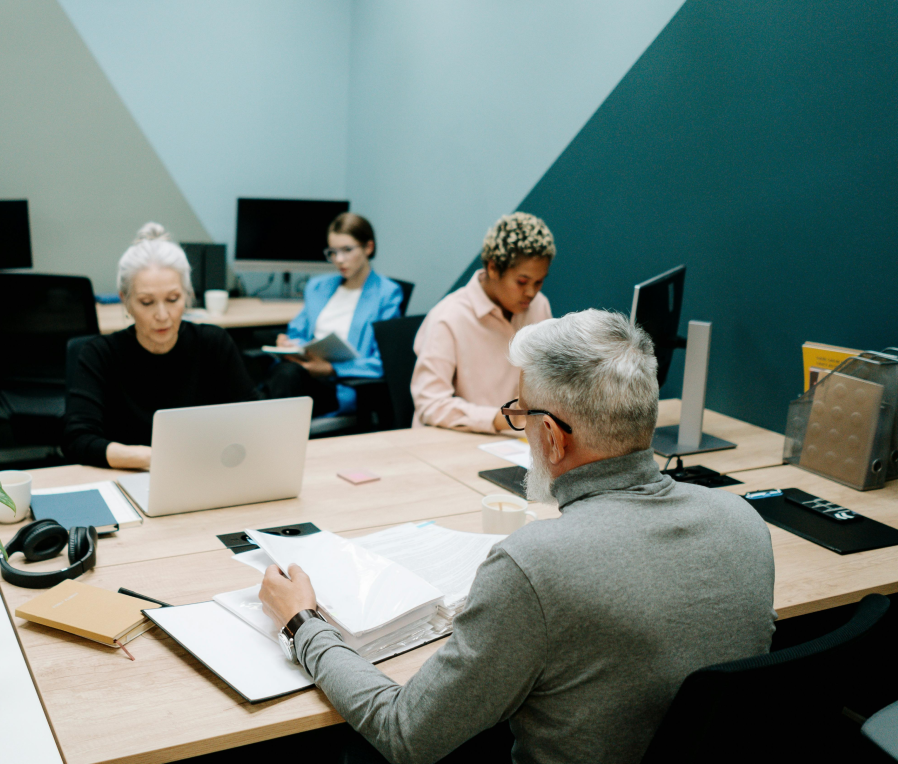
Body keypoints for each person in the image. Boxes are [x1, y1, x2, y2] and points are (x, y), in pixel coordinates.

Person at [258, 310, 776, 764]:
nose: (520, 427)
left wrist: (303, 624)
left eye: (522, 414)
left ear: (551, 437)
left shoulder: (535, 565)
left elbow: (405, 734)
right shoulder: (743, 522)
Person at [62, 223, 257, 470]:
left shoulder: (213, 344)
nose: (162, 315)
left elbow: (253, 420)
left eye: (173, 299)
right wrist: (152, 459)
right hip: (125, 478)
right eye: (147, 302)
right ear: (126, 300)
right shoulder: (100, 354)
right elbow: (77, 440)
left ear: (187, 294)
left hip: (203, 473)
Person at [411, 211, 555, 432]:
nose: (531, 292)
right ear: (493, 268)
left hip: (515, 441)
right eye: (522, 281)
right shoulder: (448, 318)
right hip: (453, 441)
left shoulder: (539, 306)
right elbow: (430, 405)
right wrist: (501, 418)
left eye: (539, 282)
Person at [262, 213, 404, 416]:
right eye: (333, 252)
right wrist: (289, 343)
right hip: (303, 373)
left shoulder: (386, 294)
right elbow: (298, 330)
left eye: (347, 250)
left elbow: (382, 362)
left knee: (283, 377)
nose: (339, 260)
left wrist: (330, 369)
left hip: (339, 383)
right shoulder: (319, 286)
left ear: (368, 247)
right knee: (279, 372)